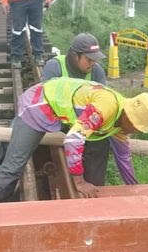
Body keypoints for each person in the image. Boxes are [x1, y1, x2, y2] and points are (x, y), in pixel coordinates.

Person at [0, 78, 148, 203]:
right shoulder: (106, 107)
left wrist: (136, 191)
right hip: (40, 104)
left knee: (90, 144)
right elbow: (73, 140)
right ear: (128, 115)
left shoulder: (121, 125)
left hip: (63, 117)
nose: (134, 130)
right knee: (13, 168)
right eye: (134, 125)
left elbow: (124, 159)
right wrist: (79, 182)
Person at [41, 33, 109, 186]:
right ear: (74, 55)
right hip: (57, 123)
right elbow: (45, 101)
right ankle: (3, 149)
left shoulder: (96, 72)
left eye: (95, 59)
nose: (93, 63)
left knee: (102, 140)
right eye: (89, 59)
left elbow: (102, 104)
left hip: (83, 126)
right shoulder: (55, 66)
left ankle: (96, 186)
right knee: (24, 126)